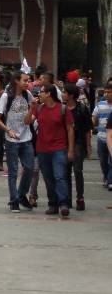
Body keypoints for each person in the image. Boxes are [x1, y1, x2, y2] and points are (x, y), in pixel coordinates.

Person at [0, 71, 35, 212]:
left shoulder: (28, 95)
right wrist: (8, 130)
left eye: (28, 80)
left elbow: (27, 121)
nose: (27, 83)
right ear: (16, 81)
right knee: (13, 172)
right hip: (11, 140)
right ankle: (14, 200)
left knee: (30, 168)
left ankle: (21, 194)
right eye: (24, 80)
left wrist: (33, 109)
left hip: (26, 138)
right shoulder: (6, 96)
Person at [31, 84, 75, 217]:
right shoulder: (38, 109)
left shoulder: (63, 109)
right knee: (48, 178)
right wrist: (31, 108)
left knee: (59, 175)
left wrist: (71, 150)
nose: (39, 95)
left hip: (59, 148)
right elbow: (27, 122)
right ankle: (53, 203)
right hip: (42, 149)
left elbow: (70, 130)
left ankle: (63, 203)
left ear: (49, 94)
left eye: (41, 92)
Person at [64, 83, 91, 211]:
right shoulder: (62, 109)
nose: (63, 94)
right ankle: (67, 198)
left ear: (71, 95)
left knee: (77, 170)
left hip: (78, 143)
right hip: (63, 143)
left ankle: (80, 198)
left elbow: (87, 129)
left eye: (65, 92)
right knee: (65, 172)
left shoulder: (82, 109)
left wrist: (89, 146)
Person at [92, 83, 112, 191]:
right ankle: (106, 176)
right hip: (101, 137)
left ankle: (110, 180)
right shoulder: (100, 104)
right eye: (106, 92)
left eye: (109, 92)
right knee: (103, 160)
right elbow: (94, 117)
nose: (107, 94)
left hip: (111, 138)